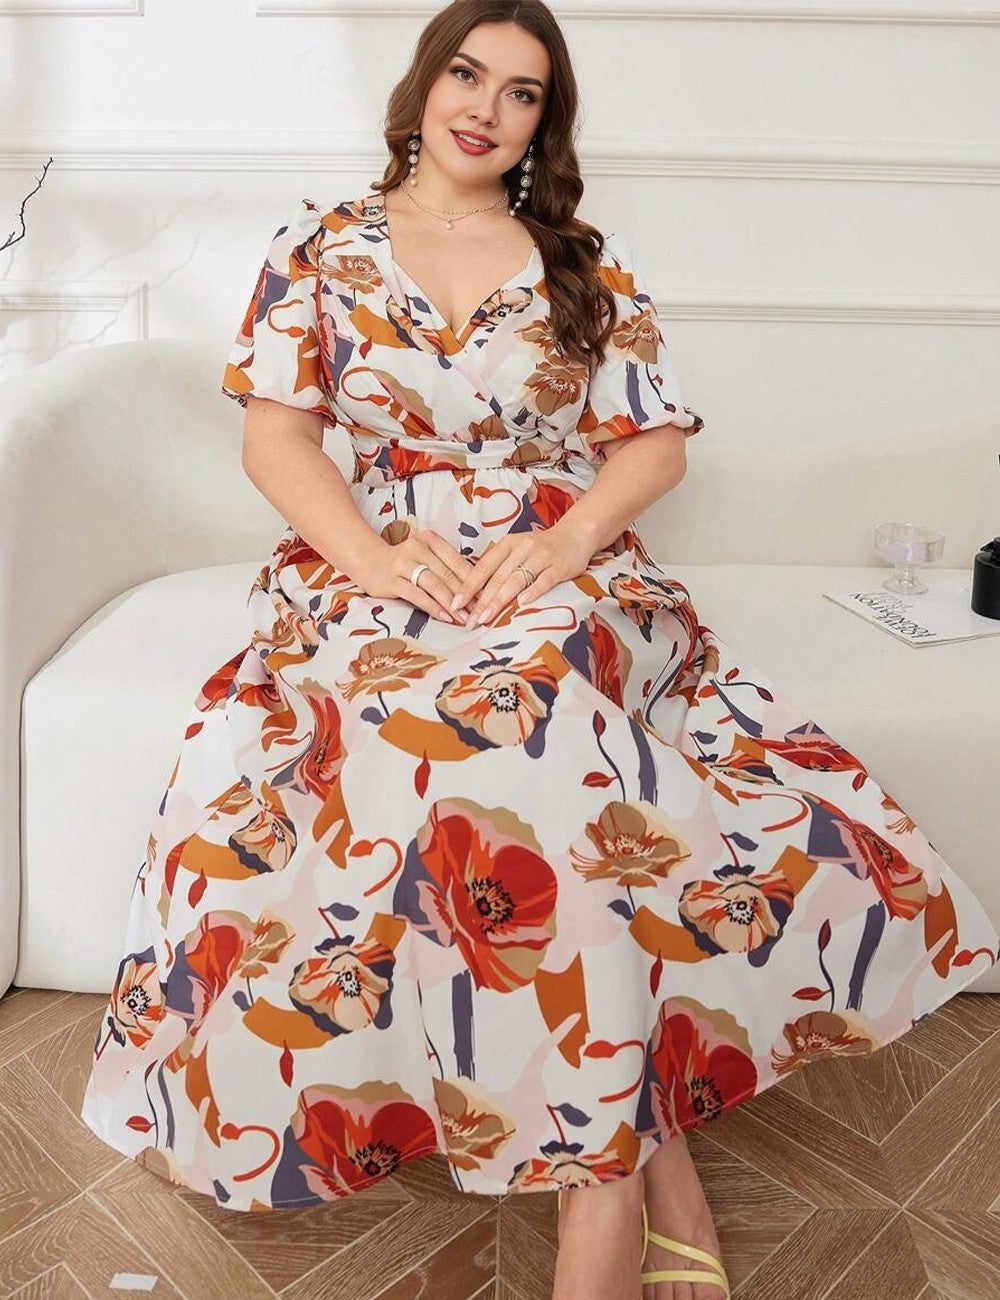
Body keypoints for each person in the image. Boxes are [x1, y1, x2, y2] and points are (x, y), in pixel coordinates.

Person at [79, 3, 999, 1298]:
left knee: (537, 722)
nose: (487, 106)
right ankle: (638, 1148)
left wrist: (563, 549)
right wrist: (381, 561)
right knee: (417, 736)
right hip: (368, 566)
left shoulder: (574, 257)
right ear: (421, 83)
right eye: (469, 73)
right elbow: (275, 438)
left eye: (522, 92)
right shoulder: (321, 249)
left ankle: (596, 1187)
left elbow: (656, 442)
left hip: (558, 567)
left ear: (540, 124)